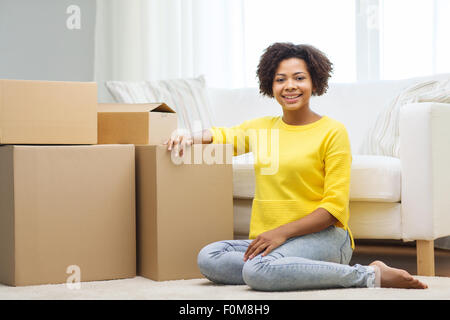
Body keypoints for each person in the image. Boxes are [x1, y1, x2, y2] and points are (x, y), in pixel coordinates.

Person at [164, 42, 428, 291]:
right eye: (281, 79)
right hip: (271, 242)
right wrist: (188, 134)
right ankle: (287, 269)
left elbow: (333, 209)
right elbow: (222, 134)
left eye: (299, 78)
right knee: (209, 257)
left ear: (314, 82)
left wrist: (280, 234)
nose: (290, 86)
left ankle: (369, 275)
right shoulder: (261, 128)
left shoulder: (332, 132)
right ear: (271, 85)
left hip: (325, 238)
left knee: (257, 270)